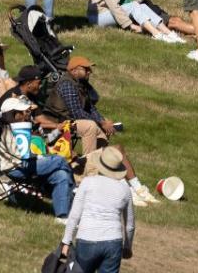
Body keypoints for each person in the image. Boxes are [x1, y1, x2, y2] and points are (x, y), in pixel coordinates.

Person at [40, 56, 157, 206]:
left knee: (102, 136)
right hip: (60, 123)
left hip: (73, 122)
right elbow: (76, 112)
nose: (90, 71)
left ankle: (129, 184)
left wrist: (105, 122)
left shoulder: (81, 84)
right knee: (91, 126)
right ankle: (88, 173)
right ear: (74, 70)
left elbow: (90, 108)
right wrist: (101, 122)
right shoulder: (66, 84)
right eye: (86, 69)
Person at [0, 96, 74, 222]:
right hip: (17, 168)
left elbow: (41, 143)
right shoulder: (9, 129)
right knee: (60, 160)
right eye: (24, 112)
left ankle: (62, 216)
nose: (27, 114)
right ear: (14, 114)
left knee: (61, 175)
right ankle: (74, 189)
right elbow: (20, 156)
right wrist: (40, 156)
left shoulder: (21, 127)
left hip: (26, 162)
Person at [61, 146, 135, 273]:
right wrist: (127, 246)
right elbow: (130, 225)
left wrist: (66, 241)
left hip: (87, 238)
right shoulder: (125, 189)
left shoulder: (87, 182)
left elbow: (74, 215)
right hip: (113, 242)